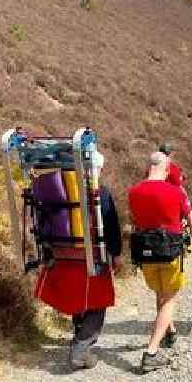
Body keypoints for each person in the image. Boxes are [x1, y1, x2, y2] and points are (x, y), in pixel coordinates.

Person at [34, 155, 123, 371]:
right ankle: (81, 347)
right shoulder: (100, 193)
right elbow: (111, 226)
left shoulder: (56, 194)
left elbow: (41, 223)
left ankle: (78, 337)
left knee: (77, 298)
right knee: (98, 301)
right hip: (91, 258)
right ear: (97, 169)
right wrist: (117, 253)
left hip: (62, 256)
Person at [129, 152, 192, 373]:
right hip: (169, 252)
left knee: (160, 293)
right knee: (170, 298)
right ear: (167, 169)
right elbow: (191, 220)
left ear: (149, 168)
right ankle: (151, 352)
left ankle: (169, 330)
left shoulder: (134, 192)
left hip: (146, 252)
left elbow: (134, 219)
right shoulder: (174, 191)